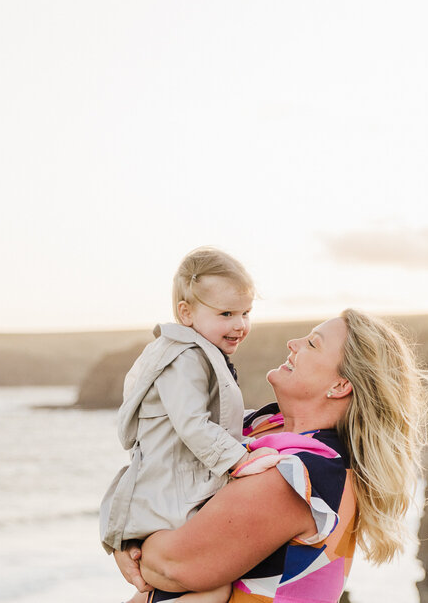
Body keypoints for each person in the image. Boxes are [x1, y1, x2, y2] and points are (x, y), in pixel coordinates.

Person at [112, 309, 428, 603]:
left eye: (312, 344)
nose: (292, 342)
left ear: (340, 385)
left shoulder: (303, 473)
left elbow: (173, 568)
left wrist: (131, 540)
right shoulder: (260, 427)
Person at [100, 247, 274, 603]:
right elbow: (193, 424)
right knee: (212, 585)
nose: (240, 324)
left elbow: (213, 418)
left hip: (173, 491)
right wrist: (239, 459)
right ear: (186, 312)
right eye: (226, 313)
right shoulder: (186, 357)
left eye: (246, 312)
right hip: (170, 498)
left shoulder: (194, 352)